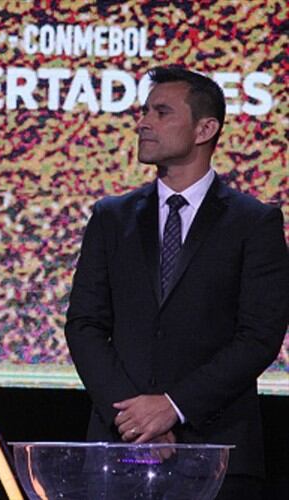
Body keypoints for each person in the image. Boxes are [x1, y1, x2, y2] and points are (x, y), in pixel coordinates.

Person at [65, 66, 288, 500]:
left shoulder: (253, 223)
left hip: (218, 448)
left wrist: (172, 407)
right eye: (144, 110)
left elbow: (258, 337)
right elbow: (84, 324)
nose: (143, 122)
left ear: (206, 128)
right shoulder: (111, 218)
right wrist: (134, 418)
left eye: (162, 112)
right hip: (119, 448)